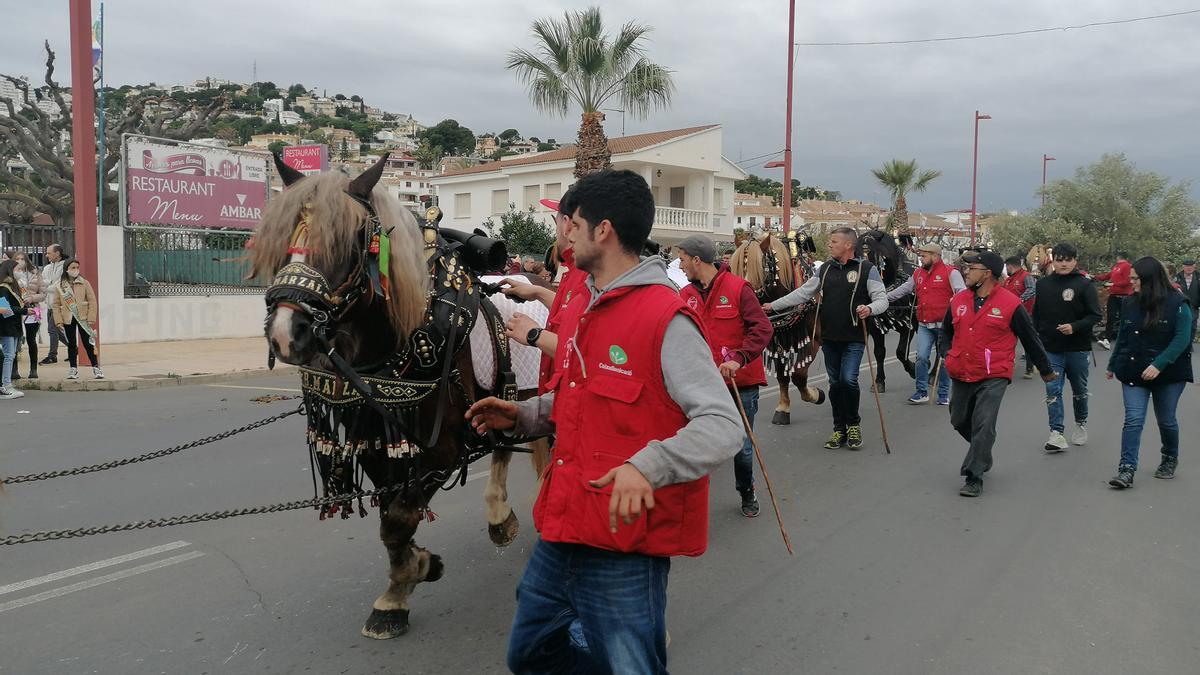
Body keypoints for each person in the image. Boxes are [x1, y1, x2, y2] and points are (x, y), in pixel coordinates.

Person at [464, 170, 742, 673]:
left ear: (603, 230)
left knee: (631, 665)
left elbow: (723, 424)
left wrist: (648, 465)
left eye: (571, 222)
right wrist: (525, 415)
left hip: (624, 540)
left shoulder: (666, 317)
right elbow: (584, 399)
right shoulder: (586, 304)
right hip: (565, 521)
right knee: (529, 652)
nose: (563, 233)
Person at [940, 251, 1055, 497]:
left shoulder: (1010, 303)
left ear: (988, 273)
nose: (966, 272)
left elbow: (1030, 338)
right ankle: (983, 453)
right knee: (958, 420)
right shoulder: (958, 300)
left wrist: (1045, 370)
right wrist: (946, 353)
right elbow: (946, 331)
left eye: (972, 268)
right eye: (966, 267)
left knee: (984, 422)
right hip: (961, 369)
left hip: (994, 373)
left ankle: (974, 476)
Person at [764, 227, 889, 450]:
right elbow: (802, 293)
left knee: (848, 380)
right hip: (829, 338)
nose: (829, 245)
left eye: (833, 241)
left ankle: (853, 425)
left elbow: (882, 300)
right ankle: (838, 429)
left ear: (848, 245)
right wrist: (773, 305)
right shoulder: (825, 269)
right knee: (835, 383)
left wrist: (869, 309)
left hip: (854, 337)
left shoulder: (866, 269)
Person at [676, 234, 773, 518]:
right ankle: (693, 503)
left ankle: (747, 490)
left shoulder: (738, 289)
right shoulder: (685, 296)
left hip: (740, 383)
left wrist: (740, 358)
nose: (679, 266)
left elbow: (762, 329)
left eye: (682, 260)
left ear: (696, 259)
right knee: (700, 446)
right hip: (703, 386)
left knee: (741, 448)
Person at [1107, 257, 1194, 489]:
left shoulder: (1179, 303)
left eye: (1135, 278)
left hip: (1169, 373)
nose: (1130, 282)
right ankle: (1126, 469)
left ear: (1150, 280)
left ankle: (1169, 457)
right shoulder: (1130, 302)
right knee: (1133, 420)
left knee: (1166, 420)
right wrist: (1113, 363)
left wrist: (1159, 364)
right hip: (1134, 370)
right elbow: (1124, 335)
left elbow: (1182, 339)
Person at [1032, 243, 1103, 453]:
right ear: (1053, 261)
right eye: (1059, 260)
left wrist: (1075, 326)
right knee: (1053, 390)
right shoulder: (1043, 285)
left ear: (1075, 261)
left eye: (1068, 259)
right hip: (1051, 349)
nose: (1063, 263)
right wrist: (1037, 338)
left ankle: (1081, 424)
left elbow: (1095, 315)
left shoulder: (1085, 284)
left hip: (1078, 348)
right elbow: (1037, 314)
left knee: (1079, 391)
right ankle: (1056, 433)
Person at [886, 242, 965, 405]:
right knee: (921, 357)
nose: (920, 259)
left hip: (945, 326)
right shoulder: (918, 274)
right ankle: (921, 391)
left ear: (935, 256)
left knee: (944, 360)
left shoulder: (951, 273)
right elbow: (905, 289)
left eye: (924, 256)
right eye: (920, 256)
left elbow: (963, 293)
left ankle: (943, 394)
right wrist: (884, 298)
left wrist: (955, 301)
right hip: (924, 324)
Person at [52, 258, 103, 380]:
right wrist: (58, 320)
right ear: (67, 269)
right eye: (72, 268)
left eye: (77, 268)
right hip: (68, 318)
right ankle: (73, 369)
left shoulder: (84, 283)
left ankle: (96, 367)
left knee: (88, 343)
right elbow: (56, 304)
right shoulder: (60, 285)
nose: (75, 270)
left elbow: (92, 300)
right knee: (71, 344)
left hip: (83, 317)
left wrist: (91, 317)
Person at [10, 251, 45, 380]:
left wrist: (31, 298)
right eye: (17, 259)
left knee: (31, 340)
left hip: (31, 309)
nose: (20, 261)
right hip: (16, 311)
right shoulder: (10, 275)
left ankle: (33, 369)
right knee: (15, 340)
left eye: (22, 259)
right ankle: (14, 370)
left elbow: (43, 293)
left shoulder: (35, 274)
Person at [1002, 256, 1039, 378]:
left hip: (1025, 314)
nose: (1006, 269)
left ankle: (1030, 368)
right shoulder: (1008, 280)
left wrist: (1020, 300)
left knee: (1028, 341)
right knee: (1007, 341)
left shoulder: (1026, 276)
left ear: (1010, 266)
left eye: (1006, 266)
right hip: (1010, 314)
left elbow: (1032, 289)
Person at [0, 259, 28, 399]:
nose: (20, 272)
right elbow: (4, 308)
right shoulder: (4, 288)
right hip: (6, 327)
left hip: (14, 326)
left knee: (10, 355)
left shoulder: (12, 287)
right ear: (10, 270)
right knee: (8, 356)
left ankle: (7, 384)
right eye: (18, 269)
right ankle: (6, 385)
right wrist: (24, 311)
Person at [1093, 252, 1132, 349]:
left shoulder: (1127, 266)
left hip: (1124, 296)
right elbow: (1107, 276)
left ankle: (1127, 339)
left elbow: (1127, 281)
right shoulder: (1116, 267)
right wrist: (1095, 277)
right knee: (1110, 318)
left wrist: (1113, 285)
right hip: (1113, 295)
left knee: (1125, 318)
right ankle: (1107, 340)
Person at [39, 243, 67, 365]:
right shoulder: (47, 268)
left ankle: (52, 355)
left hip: (60, 304)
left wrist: (47, 286)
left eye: (49, 253)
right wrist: (48, 285)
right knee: (56, 331)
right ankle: (74, 348)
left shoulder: (65, 266)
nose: (47, 255)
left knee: (51, 329)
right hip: (50, 304)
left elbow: (60, 285)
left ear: (57, 253)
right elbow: (42, 282)